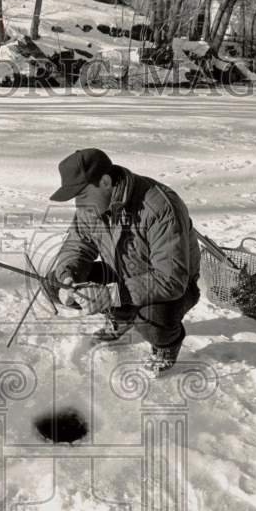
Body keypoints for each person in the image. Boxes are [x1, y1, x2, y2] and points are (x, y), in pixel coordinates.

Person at [44, 148, 201, 377]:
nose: (79, 204)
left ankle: (167, 345)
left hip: (174, 285)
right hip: (121, 273)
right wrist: (70, 277)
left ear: (105, 182)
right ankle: (121, 316)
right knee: (54, 281)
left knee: (151, 320)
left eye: (82, 195)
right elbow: (77, 246)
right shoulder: (90, 205)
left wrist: (109, 295)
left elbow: (171, 279)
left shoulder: (159, 207)